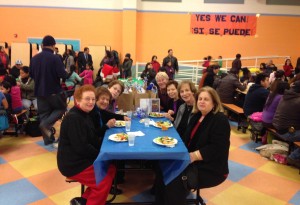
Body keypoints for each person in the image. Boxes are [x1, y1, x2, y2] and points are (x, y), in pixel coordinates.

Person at [155, 87, 230, 205]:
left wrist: (193, 156)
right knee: (162, 166)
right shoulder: (197, 115)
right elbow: (186, 138)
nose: (201, 101)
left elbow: (217, 148)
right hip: (191, 160)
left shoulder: (220, 120)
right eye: (200, 98)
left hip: (211, 167)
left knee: (174, 180)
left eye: (206, 99)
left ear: (214, 103)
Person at [57, 85, 116, 205]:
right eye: (87, 99)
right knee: (103, 181)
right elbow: (81, 148)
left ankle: (84, 200)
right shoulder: (74, 118)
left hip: (81, 157)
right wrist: (100, 155)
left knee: (111, 169)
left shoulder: (85, 114)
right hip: (73, 163)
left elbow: (92, 137)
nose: (91, 102)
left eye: (93, 99)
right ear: (78, 100)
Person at [30, 35, 68, 145]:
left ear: (42, 45)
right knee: (61, 108)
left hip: (39, 92)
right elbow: (62, 74)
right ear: (53, 45)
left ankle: (48, 140)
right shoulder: (55, 58)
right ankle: (45, 125)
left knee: (44, 115)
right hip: (53, 91)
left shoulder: (34, 58)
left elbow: (32, 75)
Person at [272, 81, 300, 168]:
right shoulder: (297, 100)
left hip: (277, 127)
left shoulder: (285, 96)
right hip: (286, 132)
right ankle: (293, 157)